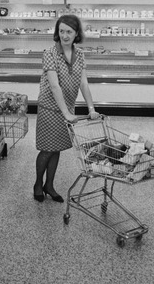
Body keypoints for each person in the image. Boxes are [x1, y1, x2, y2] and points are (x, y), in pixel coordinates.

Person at [34, 14, 101, 202]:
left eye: (69, 32)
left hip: (67, 109)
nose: (64, 35)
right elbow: (54, 86)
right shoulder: (50, 53)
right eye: (61, 31)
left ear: (76, 33)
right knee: (47, 149)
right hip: (49, 108)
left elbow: (84, 82)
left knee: (56, 149)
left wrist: (91, 108)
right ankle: (38, 184)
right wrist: (66, 113)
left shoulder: (79, 54)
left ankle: (50, 185)